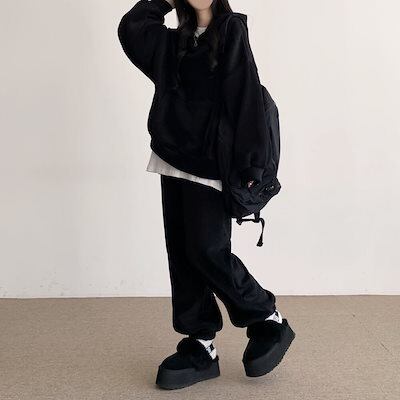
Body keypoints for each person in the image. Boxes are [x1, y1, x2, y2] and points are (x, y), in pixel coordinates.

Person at [118, 0, 295, 389]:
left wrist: (252, 166)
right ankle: (200, 344)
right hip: (171, 158)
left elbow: (246, 96)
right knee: (182, 256)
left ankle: (266, 316)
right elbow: (131, 28)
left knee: (206, 251)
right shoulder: (172, 42)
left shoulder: (231, 31)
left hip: (211, 165)